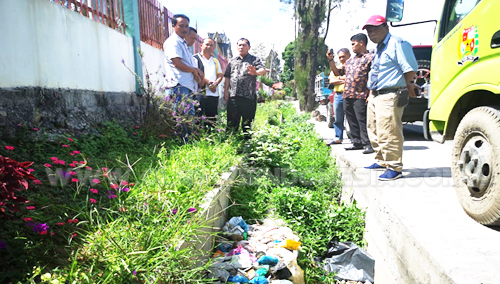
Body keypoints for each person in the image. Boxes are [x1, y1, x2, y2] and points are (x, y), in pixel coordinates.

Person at [363, 15, 418, 181]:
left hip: (390, 94)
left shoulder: (397, 43)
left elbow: (410, 69)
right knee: (373, 130)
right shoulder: (380, 47)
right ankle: (381, 160)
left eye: (375, 29)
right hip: (376, 94)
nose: (372, 33)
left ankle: (394, 167)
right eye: (369, 30)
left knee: (389, 131)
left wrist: (406, 85)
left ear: (386, 27)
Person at [328, 33, 374, 154]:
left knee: (362, 120)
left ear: (361, 43)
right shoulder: (350, 61)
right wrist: (331, 60)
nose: (352, 46)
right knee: (351, 119)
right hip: (347, 95)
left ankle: (368, 144)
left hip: (361, 95)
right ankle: (356, 142)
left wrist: (370, 94)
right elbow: (338, 73)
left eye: (353, 44)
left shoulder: (370, 58)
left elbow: (374, 77)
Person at [223, 38, 266, 138]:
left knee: (247, 123)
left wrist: (255, 72)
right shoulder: (232, 61)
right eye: (239, 45)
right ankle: (231, 142)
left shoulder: (254, 60)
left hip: (248, 97)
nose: (241, 47)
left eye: (244, 45)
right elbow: (227, 77)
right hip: (233, 96)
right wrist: (226, 91)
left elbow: (262, 70)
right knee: (232, 122)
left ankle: (247, 145)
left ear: (249, 47)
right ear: (237, 47)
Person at [163, 14, 203, 116]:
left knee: (187, 119)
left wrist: (196, 72)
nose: (185, 29)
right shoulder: (173, 42)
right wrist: (194, 70)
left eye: (186, 26)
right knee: (183, 119)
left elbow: (186, 64)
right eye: (181, 26)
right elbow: (177, 63)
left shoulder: (182, 43)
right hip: (179, 85)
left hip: (185, 86)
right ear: (173, 25)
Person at [194, 38, 223, 125]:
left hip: (213, 94)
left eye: (211, 45)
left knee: (212, 119)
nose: (209, 47)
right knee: (198, 118)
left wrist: (216, 83)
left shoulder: (215, 61)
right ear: (201, 45)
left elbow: (220, 75)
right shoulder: (195, 58)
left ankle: (211, 136)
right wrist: (209, 83)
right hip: (200, 93)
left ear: (214, 47)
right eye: (207, 44)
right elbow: (196, 73)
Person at [326, 48, 351, 145]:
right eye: (340, 57)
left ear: (349, 56)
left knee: (352, 118)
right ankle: (338, 137)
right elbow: (332, 81)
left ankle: (356, 139)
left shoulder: (353, 66)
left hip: (350, 94)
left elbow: (352, 78)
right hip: (339, 95)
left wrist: (339, 79)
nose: (341, 59)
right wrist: (344, 79)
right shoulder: (336, 68)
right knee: (338, 118)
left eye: (343, 56)